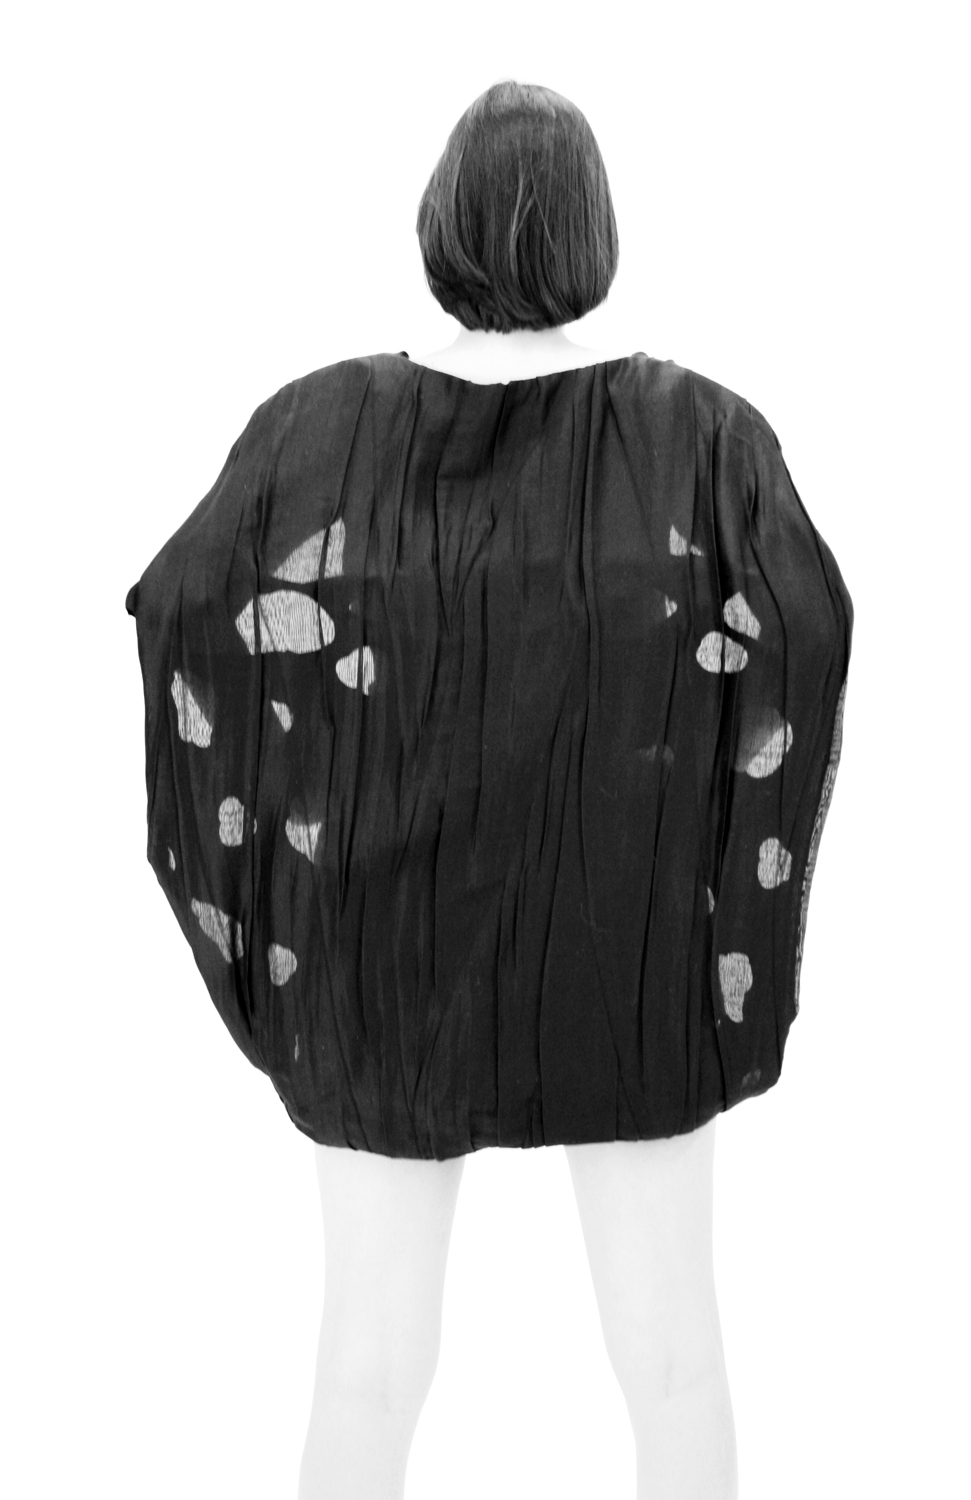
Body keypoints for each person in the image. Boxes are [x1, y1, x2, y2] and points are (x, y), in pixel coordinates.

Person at [125, 79, 852, 1500]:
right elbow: (806, 629)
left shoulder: (314, 431)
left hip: (379, 952)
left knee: (365, 1367)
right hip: (628, 947)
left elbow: (184, 607)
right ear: (594, 234)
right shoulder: (703, 439)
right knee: (675, 1361)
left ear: (440, 224)